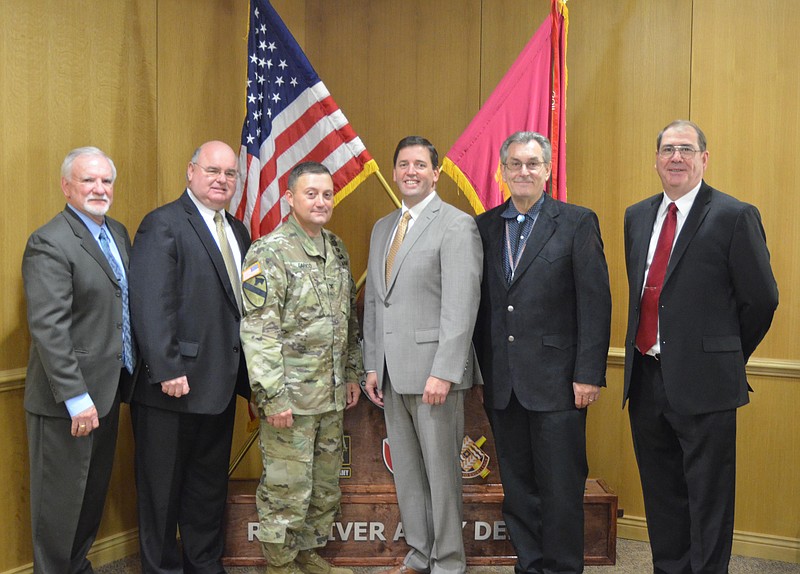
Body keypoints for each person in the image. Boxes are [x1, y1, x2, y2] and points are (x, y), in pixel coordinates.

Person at [623, 120, 778, 574]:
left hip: (706, 383)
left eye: (686, 149)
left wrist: (723, 354)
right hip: (647, 379)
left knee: (709, 499)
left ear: (704, 160)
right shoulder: (637, 215)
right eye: (668, 149)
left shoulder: (733, 215)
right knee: (662, 493)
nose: (676, 157)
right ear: (655, 160)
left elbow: (762, 300)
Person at [472, 131, 612, 574]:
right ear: (503, 171)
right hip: (504, 383)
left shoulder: (576, 221)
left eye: (533, 163)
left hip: (559, 384)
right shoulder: (485, 225)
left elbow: (595, 302)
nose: (523, 171)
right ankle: (529, 565)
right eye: (514, 164)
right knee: (518, 489)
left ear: (548, 170)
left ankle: (563, 568)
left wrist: (589, 373)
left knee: (560, 488)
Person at [129, 140, 251, 573]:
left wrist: (249, 383)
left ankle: (204, 564)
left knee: (206, 489)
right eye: (213, 171)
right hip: (171, 387)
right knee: (161, 495)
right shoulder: (162, 223)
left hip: (219, 385)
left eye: (230, 174)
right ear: (190, 172)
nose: (222, 180)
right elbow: (149, 300)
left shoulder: (237, 231)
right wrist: (167, 367)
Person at [363, 136, 483, 574]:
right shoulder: (381, 228)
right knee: (409, 475)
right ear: (394, 173)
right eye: (403, 164)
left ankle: (449, 560)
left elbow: (461, 305)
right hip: (392, 375)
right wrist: (372, 364)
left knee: (442, 477)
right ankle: (419, 552)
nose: (410, 171)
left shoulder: (456, 224)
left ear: (436, 173)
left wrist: (445, 371)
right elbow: (377, 303)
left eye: (420, 164)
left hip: (436, 376)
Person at [240, 161, 362, 574]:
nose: (321, 201)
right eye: (311, 193)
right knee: (286, 488)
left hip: (328, 395)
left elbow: (348, 321)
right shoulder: (268, 252)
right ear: (290, 198)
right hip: (289, 399)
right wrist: (271, 396)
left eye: (327, 194)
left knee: (324, 486)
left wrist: (350, 374)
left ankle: (307, 554)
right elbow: (259, 332)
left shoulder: (337, 248)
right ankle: (279, 564)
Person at [22, 147, 137, 573]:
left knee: (89, 498)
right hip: (67, 403)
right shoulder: (50, 242)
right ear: (66, 185)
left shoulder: (118, 233)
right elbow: (49, 329)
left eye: (106, 181)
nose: (99, 189)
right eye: (88, 180)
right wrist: (76, 398)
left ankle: (76, 567)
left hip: (108, 392)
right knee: (59, 506)